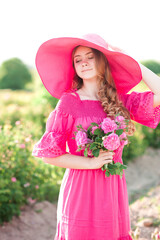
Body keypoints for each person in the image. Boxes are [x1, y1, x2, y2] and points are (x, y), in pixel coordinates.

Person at [32, 33, 160, 240]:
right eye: (78, 60)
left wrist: (130, 60)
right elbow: (48, 154)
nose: (83, 63)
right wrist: (91, 163)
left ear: (103, 61)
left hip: (111, 186)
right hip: (81, 189)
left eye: (90, 57)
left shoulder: (118, 100)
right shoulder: (68, 103)